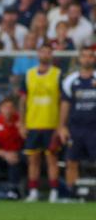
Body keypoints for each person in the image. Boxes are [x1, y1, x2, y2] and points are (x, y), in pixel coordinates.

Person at [20, 43, 62, 201]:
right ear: (38, 54)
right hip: (33, 123)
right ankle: (33, 192)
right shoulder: (29, 74)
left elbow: (61, 101)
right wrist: (22, 123)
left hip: (51, 123)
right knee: (33, 160)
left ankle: (54, 192)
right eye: (42, 52)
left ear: (51, 55)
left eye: (48, 52)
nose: (45, 55)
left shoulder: (57, 74)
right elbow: (23, 100)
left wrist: (60, 125)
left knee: (52, 159)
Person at [59, 46, 96, 199]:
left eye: (90, 56)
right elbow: (65, 104)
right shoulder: (70, 80)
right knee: (71, 161)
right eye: (84, 56)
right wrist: (62, 126)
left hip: (94, 128)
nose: (87, 59)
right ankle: (70, 194)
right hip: (76, 128)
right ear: (79, 59)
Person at [0, 96, 25, 199]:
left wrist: (22, 129)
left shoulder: (20, 121)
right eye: (5, 107)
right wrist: (5, 154)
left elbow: (27, 141)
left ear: (15, 109)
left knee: (17, 158)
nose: (8, 110)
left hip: (17, 153)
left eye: (10, 107)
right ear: (0, 109)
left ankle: (14, 189)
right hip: (1, 154)